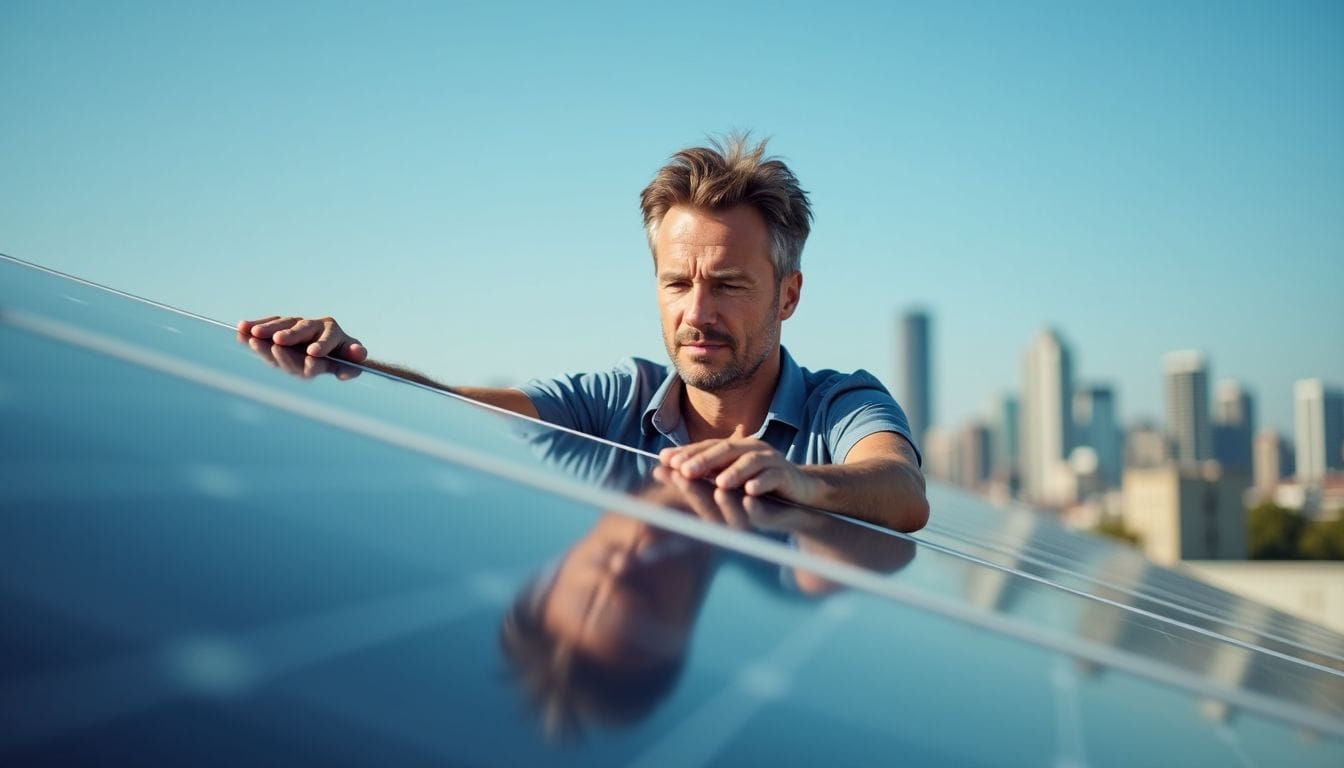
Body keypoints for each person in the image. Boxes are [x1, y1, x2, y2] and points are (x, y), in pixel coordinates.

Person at [239, 134, 929, 533]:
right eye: (677, 284)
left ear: (788, 295)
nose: (696, 313)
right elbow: (461, 408)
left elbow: (900, 488)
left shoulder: (839, 405)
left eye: (727, 285)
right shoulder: (613, 403)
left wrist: (800, 483)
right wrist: (350, 362)